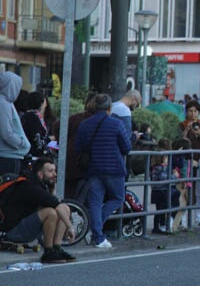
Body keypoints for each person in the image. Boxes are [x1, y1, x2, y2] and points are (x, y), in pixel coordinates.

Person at [75, 93, 132, 249]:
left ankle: (98, 235)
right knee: (118, 198)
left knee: (95, 202)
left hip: (93, 169)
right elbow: (127, 148)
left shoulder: (85, 124)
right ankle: (97, 230)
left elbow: (78, 147)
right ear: (109, 108)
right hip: (114, 169)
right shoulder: (117, 124)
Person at [0, 156, 77, 263]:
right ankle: (48, 252)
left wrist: (52, 188)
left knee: (65, 208)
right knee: (51, 213)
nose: (54, 174)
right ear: (40, 174)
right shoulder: (30, 186)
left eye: (54, 171)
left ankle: (56, 249)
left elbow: (55, 203)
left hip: (25, 227)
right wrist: (70, 227)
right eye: (50, 171)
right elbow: (55, 205)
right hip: (13, 231)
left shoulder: (38, 184)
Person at [0, 71, 30, 177]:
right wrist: (20, 143)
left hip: (9, 154)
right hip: (8, 156)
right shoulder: (3, 104)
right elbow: (6, 132)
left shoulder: (6, 103)